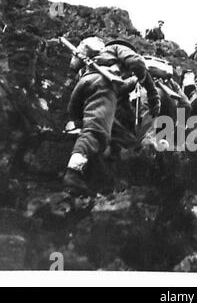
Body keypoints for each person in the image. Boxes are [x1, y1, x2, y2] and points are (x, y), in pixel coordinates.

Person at [64, 39, 161, 196]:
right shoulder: (118, 48)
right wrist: (147, 85)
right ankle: (73, 172)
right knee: (96, 131)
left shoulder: (97, 60)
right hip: (103, 83)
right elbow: (136, 62)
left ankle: (103, 177)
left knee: (120, 137)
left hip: (85, 84)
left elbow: (120, 90)